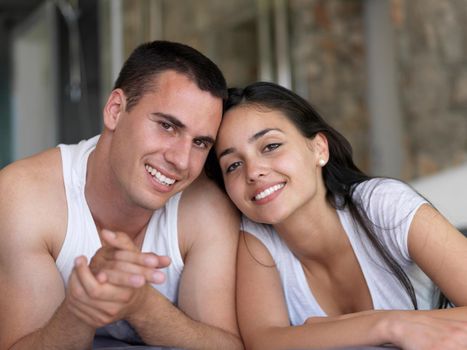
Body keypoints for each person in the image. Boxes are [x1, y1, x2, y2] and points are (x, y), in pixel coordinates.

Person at [0, 40, 243, 350]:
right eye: (167, 126)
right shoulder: (24, 195)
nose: (182, 161)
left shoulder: (207, 207)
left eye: (200, 143)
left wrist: (143, 305)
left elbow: (227, 345)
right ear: (115, 110)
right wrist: (80, 310)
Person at [206, 81, 467, 349]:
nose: (252, 171)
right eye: (233, 165)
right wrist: (389, 326)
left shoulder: (382, 204)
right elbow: (264, 341)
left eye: (270, 146)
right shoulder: (256, 240)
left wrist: (373, 323)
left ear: (319, 149)